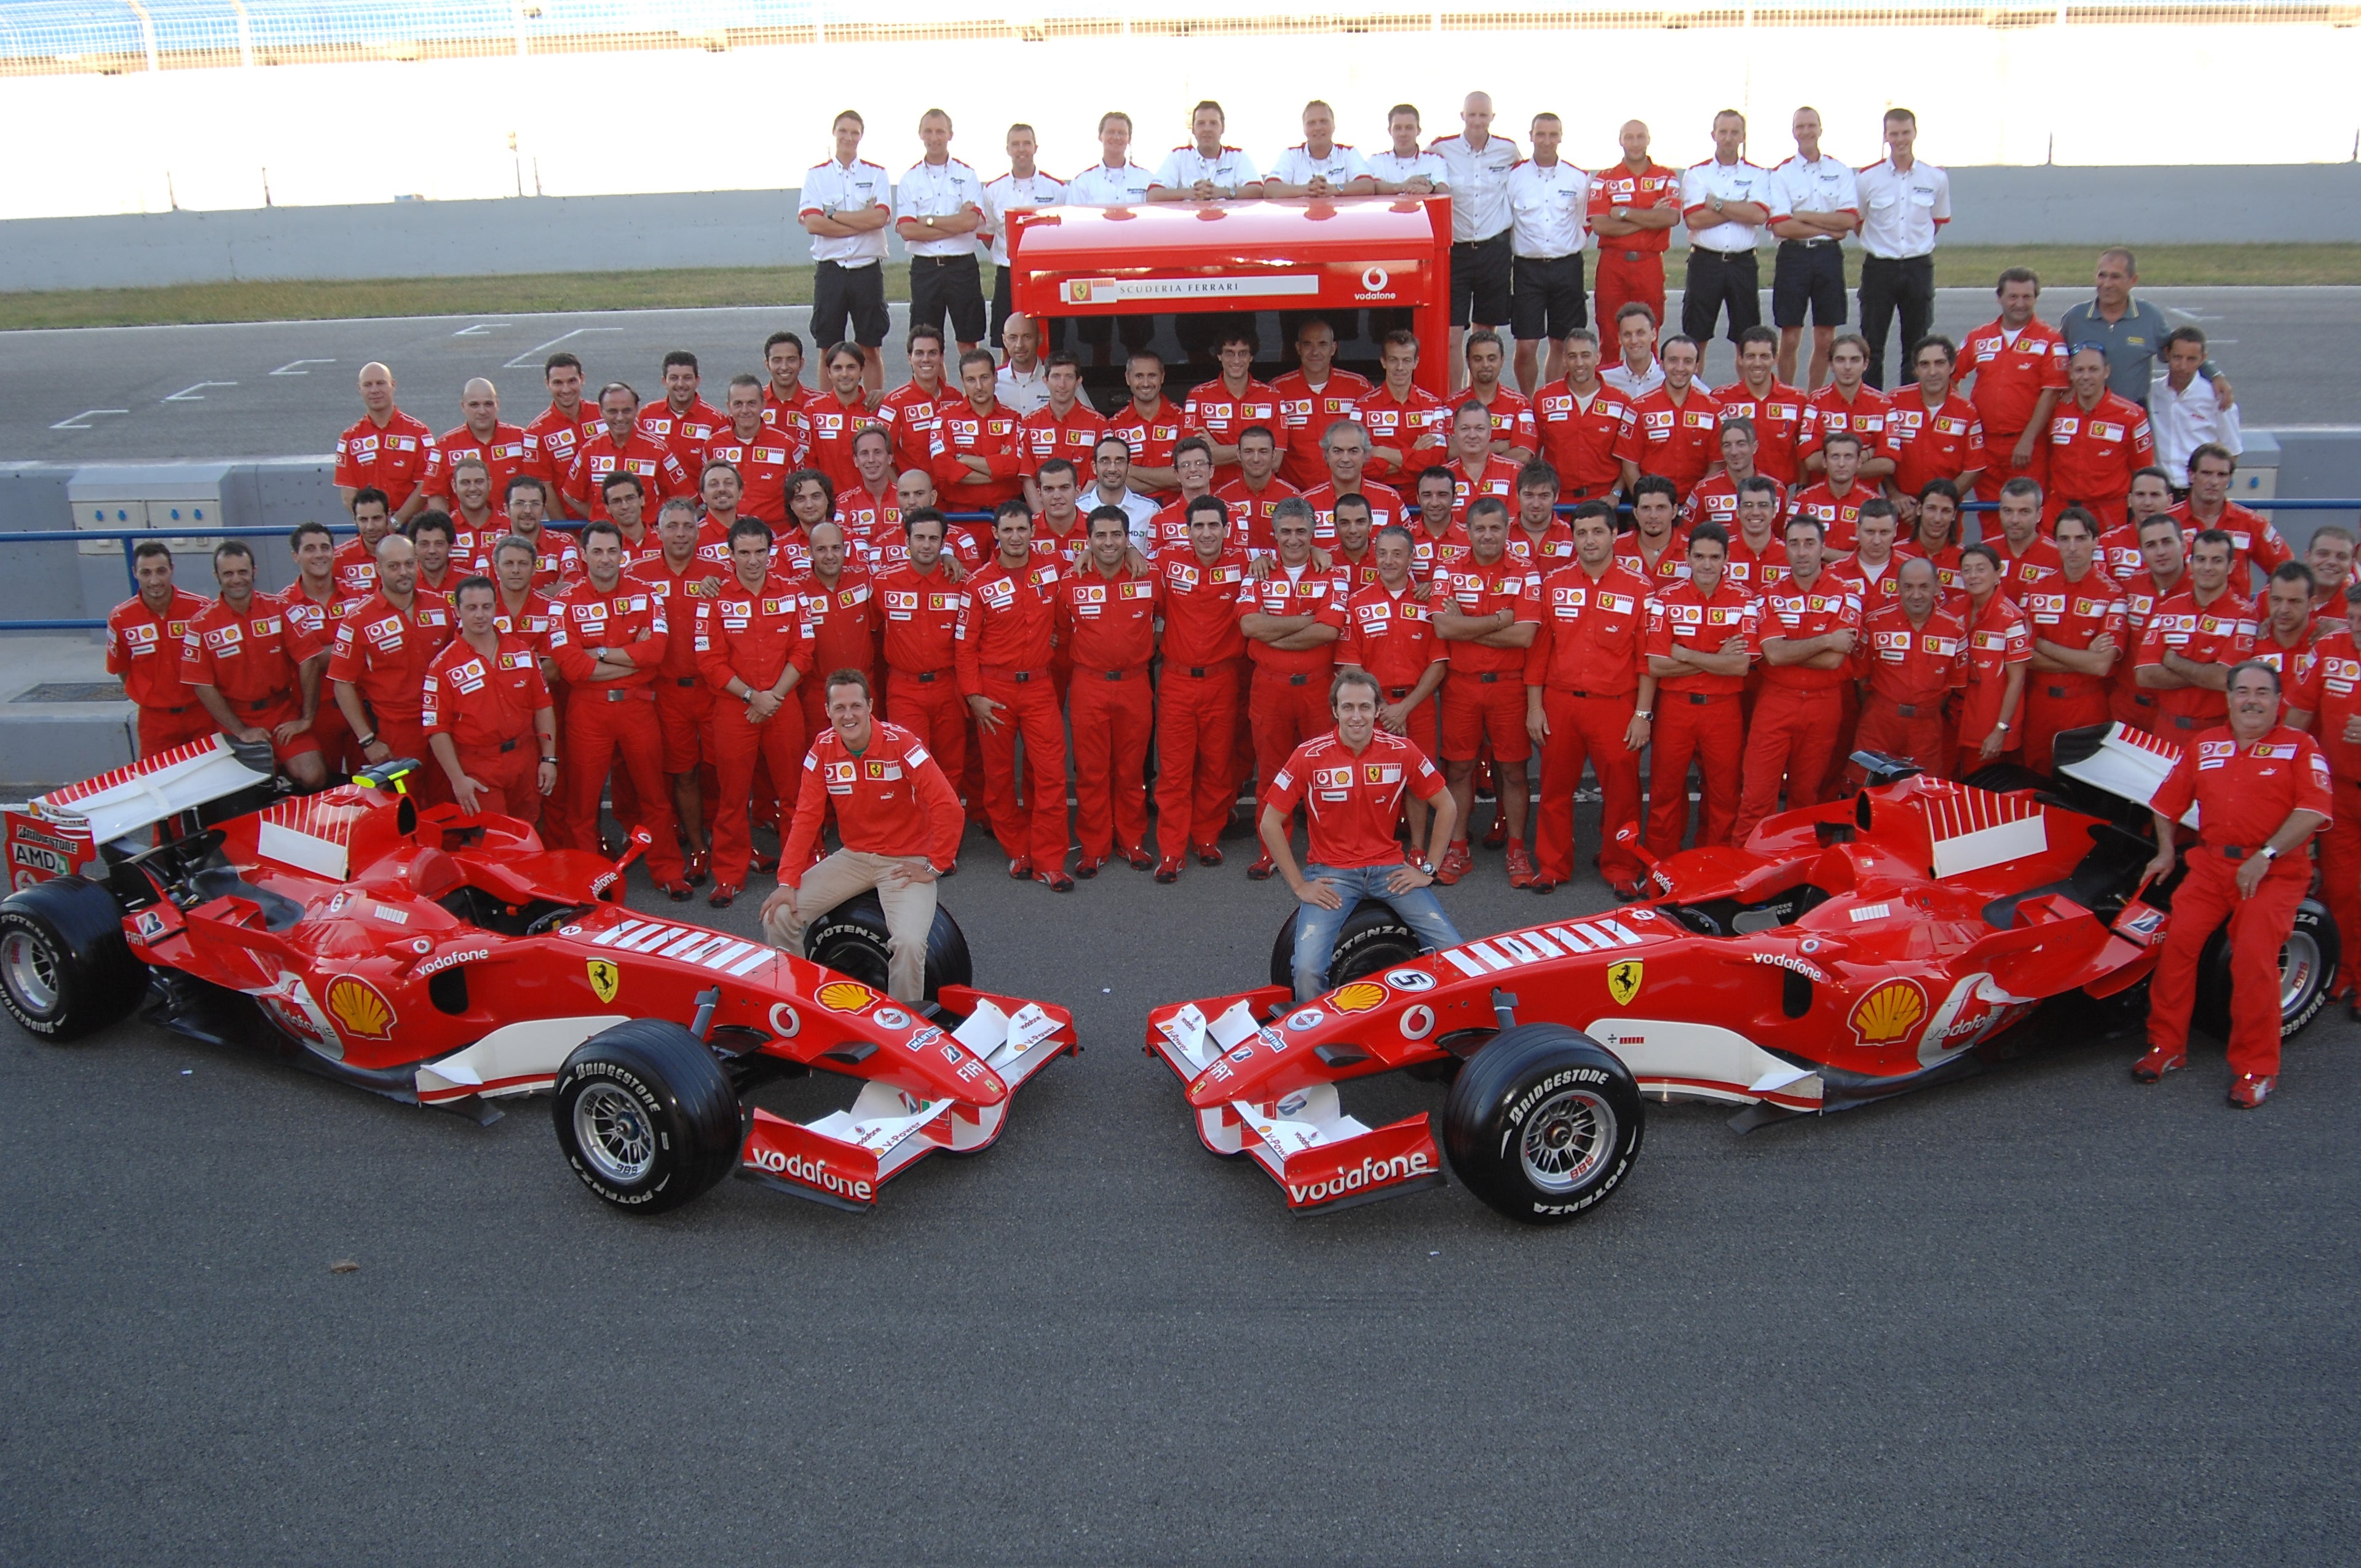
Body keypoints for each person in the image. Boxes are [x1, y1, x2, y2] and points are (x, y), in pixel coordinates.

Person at [2137, 660, 2331, 1107]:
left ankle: (2256, 1069)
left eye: (2263, 693)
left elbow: (2314, 812)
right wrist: (2166, 850)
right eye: (2243, 691)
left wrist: (2266, 855)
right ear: (2228, 699)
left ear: (2279, 702)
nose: (2252, 701)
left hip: (2274, 872)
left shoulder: (2300, 747)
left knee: (2253, 960)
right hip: (2211, 865)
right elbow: (2167, 802)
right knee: (2177, 943)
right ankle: (2166, 1047)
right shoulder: (2204, 745)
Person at [760, 671, 964, 1004]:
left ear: (870, 706)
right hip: (854, 856)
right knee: (780, 916)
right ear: (828, 711)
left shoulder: (903, 744)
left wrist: (934, 865)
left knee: (910, 944)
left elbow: (948, 806)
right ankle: (799, 1003)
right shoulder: (822, 749)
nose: (848, 715)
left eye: (856, 705)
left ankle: (902, 1026)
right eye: (839, 708)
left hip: (905, 859)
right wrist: (786, 881)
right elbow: (806, 818)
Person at [1264, 668, 1462, 1002]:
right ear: (1334, 711)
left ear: (1378, 710)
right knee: (1308, 970)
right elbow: (1270, 821)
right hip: (1332, 876)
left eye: (1365, 707)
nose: (1357, 717)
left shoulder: (1403, 751)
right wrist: (1299, 885)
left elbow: (1448, 806)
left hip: (1390, 872)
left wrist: (1428, 870)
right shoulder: (1308, 756)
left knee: (1454, 952)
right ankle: (1317, 1041)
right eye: (1348, 707)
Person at [547, 520, 691, 895]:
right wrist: (631, 660)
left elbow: (656, 654)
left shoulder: (646, 595)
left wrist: (598, 654)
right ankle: (586, 881)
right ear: (584, 555)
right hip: (588, 712)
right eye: (597, 551)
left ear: (623, 555)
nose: (606, 559)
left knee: (654, 796)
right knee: (583, 804)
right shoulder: (565, 601)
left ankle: (668, 870)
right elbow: (571, 667)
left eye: (613, 551)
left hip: (638, 709)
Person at [1525, 501, 1653, 897]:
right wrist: (1535, 707)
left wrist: (1643, 714)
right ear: (1573, 537)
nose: (1590, 540)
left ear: (1615, 535)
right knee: (1554, 790)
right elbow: (1540, 652)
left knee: (1622, 794)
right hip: (1561, 702)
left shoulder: (1640, 587)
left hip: (1616, 705)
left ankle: (1621, 867)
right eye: (1582, 532)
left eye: (1598, 532)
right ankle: (1552, 865)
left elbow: (1648, 658)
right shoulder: (1555, 583)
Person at [693, 518, 813, 907]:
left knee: (793, 792)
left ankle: (798, 869)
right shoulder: (713, 598)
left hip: (782, 704)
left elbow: (803, 651)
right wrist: (751, 697)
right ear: (730, 555)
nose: (752, 560)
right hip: (734, 709)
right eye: (743, 552)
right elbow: (709, 661)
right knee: (733, 796)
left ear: (770, 551)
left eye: (759, 551)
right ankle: (729, 873)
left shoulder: (793, 593)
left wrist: (772, 697)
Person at [957, 501, 1070, 887]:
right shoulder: (976, 584)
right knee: (1000, 778)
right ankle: (1019, 851)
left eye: (1022, 529)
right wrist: (974, 696)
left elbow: (1066, 613)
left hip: (1040, 685)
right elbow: (964, 646)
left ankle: (1050, 861)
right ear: (996, 534)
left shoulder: (1052, 570)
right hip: (995, 691)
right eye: (1008, 530)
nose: (1016, 537)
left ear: (1032, 531)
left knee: (1051, 774)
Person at [1237, 499, 1347, 879]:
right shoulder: (1259, 573)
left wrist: (1275, 631)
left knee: (1325, 773)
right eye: (1286, 531)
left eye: (1302, 531)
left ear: (1314, 533)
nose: (1294, 539)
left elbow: (1328, 631)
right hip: (1270, 689)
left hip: (1318, 691)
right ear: (1275, 534)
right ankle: (1270, 852)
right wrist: (1303, 622)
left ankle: (1327, 852)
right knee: (1271, 775)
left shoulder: (1333, 572)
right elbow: (1250, 627)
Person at [1431, 496, 1539, 885]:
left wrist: (1470, 625)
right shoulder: (1449, 568)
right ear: (1469, 531)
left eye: (1496, 528)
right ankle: (1457, 850)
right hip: (1461, 686)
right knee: (1458, 768)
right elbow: (1444, 628)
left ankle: (1517, 851)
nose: (1488, 535)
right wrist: (1499, 621)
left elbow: (1525, 635)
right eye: (1480, 528)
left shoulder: (1526, 571)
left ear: (1508, 529)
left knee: (1512, 771)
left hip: (1509, 688)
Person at [1734, 514, 1860, 841]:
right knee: (1757, 797)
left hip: (1824, 705)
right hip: (1776, 700)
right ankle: (1746, 873)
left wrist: (1801, 649)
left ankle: (1798, 873)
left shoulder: (1847, 593)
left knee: (1807, 799)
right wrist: (1826, 639)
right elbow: (1774, 654)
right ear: (1785, 549)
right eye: (1794, 544)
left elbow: (1835, 660)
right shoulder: (1767, 594)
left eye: (1809, 544)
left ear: (1823, 548)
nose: (1802, 552)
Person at [1057, 504, 1160, 876]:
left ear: (1127, 538)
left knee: (1131, 770)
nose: (1108, 542)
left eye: (1117, 534)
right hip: (1090, 685)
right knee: (1092, 771)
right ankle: (1095, 845)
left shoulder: (1150, 576)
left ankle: (1132, 841)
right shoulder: (1069, 581)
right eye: (1100, 535)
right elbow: (1060, 631)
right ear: (1088, 540)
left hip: (1135, 683)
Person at [1153, 495, 1252, 880]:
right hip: (1177, 680)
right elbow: (1123, 557)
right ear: (1187, 530)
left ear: (1227, 530)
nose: (1207, 533)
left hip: (1223, 680)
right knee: (1175, 771)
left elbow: (1290, 558)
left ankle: (1206, 837)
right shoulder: (1168, 562)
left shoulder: (1246, 563)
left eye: (1214, 526)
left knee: (1216, 765)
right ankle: (1172, 850)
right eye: (1199, 526)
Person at [1645, 523, 1755, 850]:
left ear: (1726, 559)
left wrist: (1684, 654)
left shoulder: (1744, 599)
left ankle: (1716, 867)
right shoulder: (1666, 598)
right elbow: (1657, 665)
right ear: (1688, 558)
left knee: (1724, 794)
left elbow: (1740, 665)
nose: (1707, 564)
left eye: (1714, 557)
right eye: (1700, 556)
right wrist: (1715, 658)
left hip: (1723, 711)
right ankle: (1660, 865)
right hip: (1676, 707)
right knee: (1665, 792)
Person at [183, 540, 328, 789]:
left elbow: (309, 659)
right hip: (234, 719)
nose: (236, 579)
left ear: (254, 572)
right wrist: (240, 731)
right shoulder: (200, 625)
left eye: (243, 572)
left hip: (281, 711)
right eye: (228, 574)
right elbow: (202, 685)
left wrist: (306, 718)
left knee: (314, 776)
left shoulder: (280, 608)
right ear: (217, 576)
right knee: (247, 793)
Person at [1336, 523, 1448, 836]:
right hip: (1372, 709)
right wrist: (1386, 709)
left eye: (1397, 554)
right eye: (1382, 553)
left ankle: (1417, 849)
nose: (1388, 561)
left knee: (1419, 780)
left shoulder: (1429, 602)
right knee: (1371, 781)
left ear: (1412, 558)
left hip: (1419, 705)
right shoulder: (1357, 602)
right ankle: (1374, 848)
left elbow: (1438, 664)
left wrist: (1405, 709)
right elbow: (1351, 667)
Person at [422, 576, 556, 822]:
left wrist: (549, 758)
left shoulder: (522, 652)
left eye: (486, 606)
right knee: (493, 842)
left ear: (496, 607)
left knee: (528, 835)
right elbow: (437, 728)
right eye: (471, 608)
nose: (480, 615)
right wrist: (457, 779)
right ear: (457, 611)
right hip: (478, 766)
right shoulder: (442, 666)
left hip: (524, 759)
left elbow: (543, 705)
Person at [2286, 587, 2361, 1015]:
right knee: (2342, 889)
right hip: (2341, 794)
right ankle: (2346, 972)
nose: (2358, 627)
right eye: (2353, 618)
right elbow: (2296, 715)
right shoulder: (2330, 650)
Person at [328, 533, 453, 786]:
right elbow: (342, 683)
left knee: (449, 804)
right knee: (406, 807)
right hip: (396, 731)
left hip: (444, 723)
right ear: (378, 568)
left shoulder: (440, 606)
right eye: (393, 566)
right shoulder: (358, 619)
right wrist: (368, 741)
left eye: (409, 564)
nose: (403, 572)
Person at [2060, 248, 2234, 411]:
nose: (2107, 284)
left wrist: (2215, 376)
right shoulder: (2075, 318)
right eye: (2102, 275)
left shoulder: (2150, 318)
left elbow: (2181, 352)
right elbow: (2053, 361)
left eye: (2115, 277)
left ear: (2133, 280)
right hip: (2082, 415)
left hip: (2132, 418)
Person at [2020, 508, 2126, 773]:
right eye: (2065, 539)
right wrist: (2083, 658)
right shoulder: (2036, 590)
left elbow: (2101, 666)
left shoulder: (2113, 594)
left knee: (2084, 783)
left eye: (2080, 538)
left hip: (2087, 705)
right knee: (2037, 779)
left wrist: (2044, 645)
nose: (2073, 547)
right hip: (2040, 705)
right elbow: (2025, 655)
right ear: (2055, 542)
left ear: (2096, 541)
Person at [1854, 108, 1950, 391]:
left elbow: (1937, 221)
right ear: (1885, 136)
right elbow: (1858, 221)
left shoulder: (1935, 178)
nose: (1900, 139)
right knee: (1872, 344)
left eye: (1905, 132)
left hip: (1918, 266)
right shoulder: (1867, 178)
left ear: (1915, 133)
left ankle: (1912, 405)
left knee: (1917, 343)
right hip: (1879, 267)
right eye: (1893, 133)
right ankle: (1871, 403)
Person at [800, 110, 894, 398]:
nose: (849, 137)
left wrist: (834, 216)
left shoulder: (876, 174)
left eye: (855, 132)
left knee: (870, 345)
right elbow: (813, 224)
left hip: (866, 269)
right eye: (843, 131)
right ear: (835, 133)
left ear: (861, 136)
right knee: (828, 346)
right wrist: (859, 222)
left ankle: (876, 407)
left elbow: (880, 219)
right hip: (831, 271)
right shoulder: (817, 176)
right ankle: (828, 408)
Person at [2136, 528, 2258, 750]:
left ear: (2231, 567)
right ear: (2191, 563)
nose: (2208, 568)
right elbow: (2145, 675)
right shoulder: (2168, 607)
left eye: (2217, 560)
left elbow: (2225, 680)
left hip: (2215, 734)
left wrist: (2175, 662)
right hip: (2165, 729)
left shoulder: (2245, 614)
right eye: (2201, 559)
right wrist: (2206, 672)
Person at [1429, 92, 1519, 389]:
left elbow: (1525, 184)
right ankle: (1453, 398)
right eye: (1472, 115)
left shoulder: (1508, 151)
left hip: (1494, 250)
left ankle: (1478, 394)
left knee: (1485, 333)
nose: (1477, 121)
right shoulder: (1442, 149)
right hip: (1456, 252)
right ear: (1463, 116)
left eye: (1483, 116)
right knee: (1453, 334)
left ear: (1492, 117)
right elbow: (1419, 171)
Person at [1955, 269, 2068, 504]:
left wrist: (2027, 440)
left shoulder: (2050, 339)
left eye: (2027, 297)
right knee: (1990, 517)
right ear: (2000, 298)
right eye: (2013, 296)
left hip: (2028, 446)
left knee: (2027, 514)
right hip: (1985, 442)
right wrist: (1966, 418)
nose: (2020, 304)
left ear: (2036, 298)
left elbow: (2052, 393)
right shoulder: (1979, 336)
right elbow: (1950, 376)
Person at [1766, 106, 1859, 390]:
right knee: (1791, 337)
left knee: (1825, 339)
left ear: (1820, 129)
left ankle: (1814, 398)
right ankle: (1786, 395)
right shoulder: (1782, 173)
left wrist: (1803, 215)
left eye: (1811, 126)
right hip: (1793, 256)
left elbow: (1849, 220)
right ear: (1793, 132)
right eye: (1800, 127)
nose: (1806, 132)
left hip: (1828, 258)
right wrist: (1830, 227)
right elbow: (1782, 226)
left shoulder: (1840, 171)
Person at [1505, 113, 1589, 398]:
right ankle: (1528, 402)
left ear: (1561, 137)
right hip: (1528, 269)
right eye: (1541, 134)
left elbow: (1585, 220)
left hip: (1567, 267)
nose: (1547, 141)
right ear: (1531, 136)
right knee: (1527, 344)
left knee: (1561, 342)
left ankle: (1550, 400)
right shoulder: (1514, 177)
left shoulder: (1578, 178)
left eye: (1553, 135)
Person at [1855, 555, 1964, 775]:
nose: (1916, 595)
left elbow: (1953, 686)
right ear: (1898, 588)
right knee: (1866, 790)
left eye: (1924, 587)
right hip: (1879, 723)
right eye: (1908, 587)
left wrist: (1923, 710)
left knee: (1919, 794)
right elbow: (1861, 678)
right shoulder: (1874, 623)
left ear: (1937, 588)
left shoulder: (1955, 630)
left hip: (1926, 728)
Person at [1063, 111, 1157, 365]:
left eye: (1122, 133)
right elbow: (1073, 230)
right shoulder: (1083, 183)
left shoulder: (1148, 180)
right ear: (1100, 136)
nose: (1116, 137)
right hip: (1096, 273)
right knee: (1099, 342)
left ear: (1129, 139)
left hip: (1137, 273)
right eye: (1111, 132)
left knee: (1137, 342)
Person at [108, 540, 215, 758]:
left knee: (212, 783)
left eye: (161, 571)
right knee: (161, 784)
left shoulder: (201, 608)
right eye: (146, 573)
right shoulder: (120, 618)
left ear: (172, 570)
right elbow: (122, 668)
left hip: (203, 713)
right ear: (134, 573)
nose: (154, 581)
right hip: (156, 722)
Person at [896, 108, 989, 355]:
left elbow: (970, 223)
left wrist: (926, 222)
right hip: (925, 270)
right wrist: (954, 222)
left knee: (968, 341)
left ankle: (972, 394)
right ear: (920, 134)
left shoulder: (966, 175)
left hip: (962, 268)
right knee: (927, 345)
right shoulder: (909, 179)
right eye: (928, 131)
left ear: (950, 135)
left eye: (940, 131)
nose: (934, 137)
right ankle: (936, 394)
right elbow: (906, 229)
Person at [1679, 109, 1771, 351]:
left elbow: (1759, 215)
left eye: (1734, 132)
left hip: (1743, 264)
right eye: (1723, 132)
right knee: (1695, 339)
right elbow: (1694, 219)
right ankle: (1693, 390)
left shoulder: (1758, 174)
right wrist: (1741, 208)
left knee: (1748, 340)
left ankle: (1745, 390)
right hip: (1705, 262)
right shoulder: (1697, 173)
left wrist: (1716, 204)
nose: (1728, 137)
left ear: (1743, 136)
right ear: (1714, 135)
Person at [2043, 345, 2156, 529]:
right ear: (2070, 373)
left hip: (2107, 516)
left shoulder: (2132, 415)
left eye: (2093, 370)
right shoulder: (2055, 410)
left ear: (2107, 372)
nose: (2086, 377)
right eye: (2079, 370)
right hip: (2059, 512)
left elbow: (2144, 471)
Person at [1586, 119, 1680, 338]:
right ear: (1620, 141)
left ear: (1649, 139)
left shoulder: (1666, 176)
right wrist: (1650, 217)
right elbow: (1600, 225)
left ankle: (1649, 374)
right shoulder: (1604, 178)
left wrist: (1624, 213)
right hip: (1613, 264)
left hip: (1649, 263)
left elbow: (1671, 217)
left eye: (1640, 137)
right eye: (1629, 137)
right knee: (1609, 333)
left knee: (1649, 333)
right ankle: (1609, 373)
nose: (1635, 143)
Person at [1879, 335, 1987, 511]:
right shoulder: (1895, 402)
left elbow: (1974, 469)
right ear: (1915, 370)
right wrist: (1894, 494)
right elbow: (1880, 455)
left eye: (1940, 363)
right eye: (1925, 364)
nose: (1932, 372)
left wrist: (1936, 506)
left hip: (1944, 517)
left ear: (1952, 367)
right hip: (1901, 512)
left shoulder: (1967, 412)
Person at [2111, 512, 2193, 734]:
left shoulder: (2202, 590)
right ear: (2142, 552)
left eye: (2167, 542)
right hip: (2127, 707)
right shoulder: (2129, 587)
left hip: (2176, 713)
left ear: (2184, 545)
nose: (2161, 552)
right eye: (2151, 545)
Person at [983, 125, 1065, 344]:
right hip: (1008, 276)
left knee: (1051, 340)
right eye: (1015, 144)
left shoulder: (1057, 189)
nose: (1021, 149)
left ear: (1035, 147)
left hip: (1046, 277)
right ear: (1007, 149)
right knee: (1008, 343)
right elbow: (988, 234)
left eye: (1027, 143)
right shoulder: (993, 191)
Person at [1272, 317, 1374, 493]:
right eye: (1308, 344)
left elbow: (1374, 442)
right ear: (1298, 348)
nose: (1315, 352)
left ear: (1333, 348)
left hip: (1347, 494)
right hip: (1295, 495)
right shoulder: (1277, 390)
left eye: (1322, 344)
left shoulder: (1359, 387)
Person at [564, 382, 690, 523]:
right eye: (612, 411)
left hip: (648, 540)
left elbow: (685, 497)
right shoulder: (589, 450)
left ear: (636, 409)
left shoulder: (658, 450)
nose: (620, 418)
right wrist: (600, 518)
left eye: (626, 411)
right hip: (608, 539)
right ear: (601, 412)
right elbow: (571, 495)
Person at [1615, 335, 1720, 502]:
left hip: (1696, 509)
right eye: (1673, 360)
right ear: (1662, 365)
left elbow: (1717, 465)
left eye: (1687, 361)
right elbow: (1629, 466)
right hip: (1652, 509)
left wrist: (1696, 505)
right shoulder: (1638, 408)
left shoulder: (1714, 409)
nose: (1680, 368)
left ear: (1697, 366)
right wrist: (1648, 504)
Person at [1952, 543, 2029, 769]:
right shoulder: (1952, 611)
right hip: (1954, 720)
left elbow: (2017, 681)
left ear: (1998, 573)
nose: (1973, 576)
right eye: (1967, 570)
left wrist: (2000, 730)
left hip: (1988, 726)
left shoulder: (2011, 619)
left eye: (1981, 569)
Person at [2172, 444, 2292, 589]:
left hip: (2235, 610)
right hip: (2178, 611)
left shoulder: (2252, 523)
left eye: (2222, 475)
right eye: (2206, 473)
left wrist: (2262, 607)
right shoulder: (2167, 522)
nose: (2214, 482)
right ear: (2191, 475)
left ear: (2229, 480)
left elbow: (2288, 572)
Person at [334, 362, 439, 523]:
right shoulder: (349, 438)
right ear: (359, 389)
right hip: (372, 532)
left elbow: (426, 486)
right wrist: (374, 524)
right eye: (368, 385)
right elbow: (348, 496)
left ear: (393, 385)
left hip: (411, 530)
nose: (374, 390)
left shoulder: (419, 433)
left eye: (380, 383)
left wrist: (396, 522)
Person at [1185, 327, 1289, 488]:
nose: (1236, 360)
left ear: (1251, 357)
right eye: (1229, 353)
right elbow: (1193, 458)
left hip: (1259, 494)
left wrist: (1217, 450)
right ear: (1219, 356)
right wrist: (1257, 453)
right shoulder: (1198, 396)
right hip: (1213, 495)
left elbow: (1275, 462)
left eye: (1243, 353)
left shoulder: (1273, 397)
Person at [2149, 326, 2242, 489]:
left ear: (2203, 359)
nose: (2183, 366)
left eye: (2191, 359)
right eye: (2178, 357)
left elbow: (2232, 451)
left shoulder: (2217, 398)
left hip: (2197, 492)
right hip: (2160, 491)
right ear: (2167, 354)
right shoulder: (2152, 392)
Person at [1715, 325, 1808, 486]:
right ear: (1740, 359)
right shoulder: (1720, 399)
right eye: (1751, 356)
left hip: (1781, 494)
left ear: (1776, 358)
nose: (1757, 363)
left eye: (1764, 356)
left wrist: (1802, 487)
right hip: (1732, 492)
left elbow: (1805, 450)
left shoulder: (1797, 399)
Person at [702, 376, 801, 526]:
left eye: (752, 404)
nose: (745, 410)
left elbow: (799, 491)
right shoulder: (712, 445)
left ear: (763, 405)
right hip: (727, 531)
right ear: (729, 406)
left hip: (776, 533)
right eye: (738, 404)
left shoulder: (787, 445)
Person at [1798, 332, 1894, 483]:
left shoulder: (1884, 405)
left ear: (1865, 364)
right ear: (1831, 365)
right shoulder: (1816, 402)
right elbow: (1811, 460)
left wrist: (1837, 465)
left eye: (1855, 360)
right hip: (1821, 500)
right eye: (1840, 360)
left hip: (1868, 501)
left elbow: (1888, 464)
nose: (1847, 367)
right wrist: (1869, 454)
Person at [433, 378, 531, 515]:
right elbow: (435, 495)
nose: (482, 411)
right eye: (474, 405)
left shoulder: (522, 439)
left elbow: (536, 488)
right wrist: (446, 530)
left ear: (497, 404)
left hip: (512, 531)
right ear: (463, 406)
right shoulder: (444, 445)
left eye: (488, 404)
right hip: (463, 534)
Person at [877, 324, 955, 485]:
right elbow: (879, 454)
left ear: (942, 357)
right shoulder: (893, 402)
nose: (926, 359)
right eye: (919, 353)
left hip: (954, 493)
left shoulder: (955, 397)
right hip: (917, 496)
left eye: (932, 353)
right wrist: (901, 490)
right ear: (909, 358)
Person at [524, 352, 597, 518]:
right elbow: (545, 489)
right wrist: (568, 535)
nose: (566, 390)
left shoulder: (604, 416)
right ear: (547, 384)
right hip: (573, 526)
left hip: (616, 523)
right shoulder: (536, 433)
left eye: (572, 381)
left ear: (582, 379)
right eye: (558, 383)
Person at [1149, 98, 1264, 202]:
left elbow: (1258, 190)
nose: (1207, 129)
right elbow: (1153, 194)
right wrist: (1190, 193)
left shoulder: (1237, 156)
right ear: (1193, 129)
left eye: (1213, 123)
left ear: (1223, 128)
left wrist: (1224, 193)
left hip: (1228, 224)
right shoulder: (1179, 156)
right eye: (1201, 124)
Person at [1215, 428, 1301, 560]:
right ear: (1238, 454)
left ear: (1274, 454)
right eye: (1248, 451)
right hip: (1235, 575)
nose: (1256, 459)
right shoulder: (1221, 498)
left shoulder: (1293, 497)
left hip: (1278, 574)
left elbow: (1300, 544)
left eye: (1263, 452)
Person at [804, 344, 879, 494]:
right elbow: (807, 463)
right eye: (838, 368)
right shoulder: (812, 410)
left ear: (862, 370)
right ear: (829, 372)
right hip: (826, 503)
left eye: (851, 367)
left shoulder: (878, 409)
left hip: (869, 502)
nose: (844, 374)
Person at [639, 350, 727, 479]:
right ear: (664, 381)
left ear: (697, 381)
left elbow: (722, 470)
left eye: (687, 378)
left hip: (699, 499)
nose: (681, 384)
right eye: (674, 378)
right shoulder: (647, 415)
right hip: (657, 499)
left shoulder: (715, 419)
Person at [1110, 352, 1185, 501]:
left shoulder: (1182, 418)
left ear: (1162, 377)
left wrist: (1132, 470)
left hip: (1177, 512)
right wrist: (1168, 480)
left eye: (1152, 376)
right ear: (1127, 378)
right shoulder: (1114, 425)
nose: (1146, 383)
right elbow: (1115, 481)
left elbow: (1186, 475)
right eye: (1139, 376)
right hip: (1132, 514)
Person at [1680, 418, 1774, 534]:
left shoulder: (1777, 489)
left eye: (1741, 444)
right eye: (1727, 445)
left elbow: (1784, 539)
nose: (1734, 452)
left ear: (1754, 447)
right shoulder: (1703, 491)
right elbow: (1686, 536)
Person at [1792, 430, 1874, 553]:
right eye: (1835, 456)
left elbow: (1873, 556)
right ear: (1825, 462)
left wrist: (1820, 552)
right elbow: (1793, 547)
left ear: (1859, 463)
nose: (1841, 464)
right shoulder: (1804, 500)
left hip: (1856, 572)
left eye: (1848, 457)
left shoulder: (1873, 503)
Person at [1442, 401, 1521, 522]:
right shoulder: (1442, 476)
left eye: (1480, 428)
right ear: (1455, 433)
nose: (1472, 435)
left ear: (1490, 432)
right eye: (1465, 428)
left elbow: (1513, 524)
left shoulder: (1515, 472)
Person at [1614, 476, 1690, 591]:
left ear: (1674, 511)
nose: (1653, 515)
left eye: (1661, 508)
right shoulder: (1614, 548)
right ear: (1635, 512)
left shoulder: (1693, 550)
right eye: (1646, 508)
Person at [1367, 103, 1450, 197]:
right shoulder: (1376, 161)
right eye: (1398, 128)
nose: (1403, 134)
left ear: (1419, 130)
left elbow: (1444, 188)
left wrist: (1431, 188)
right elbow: (1371, 187)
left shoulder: (1435, 160)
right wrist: (1402, 187)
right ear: (1390, 131)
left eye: (1409, 128)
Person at [1600, 301, 1666, 402]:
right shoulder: (1602, 378)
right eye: (1627, 334)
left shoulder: (1671, 376)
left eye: (1640, 333)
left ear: (1654, 334)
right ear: (1620, 338)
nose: (1634, 341)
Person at [994, 313, 1049, 417]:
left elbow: (1086, 417)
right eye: (1013, 338)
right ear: (1004, 341)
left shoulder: (1059, 376)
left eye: (1027, 337)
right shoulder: (993, 380)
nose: (1020, 345)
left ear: (1040, 339)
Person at [761, 330, 815, 421]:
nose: (784, 367)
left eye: (791, 360)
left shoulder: (818, 402)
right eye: (777, 360)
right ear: (767, 365)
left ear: (801, 363)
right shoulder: (751, 403)